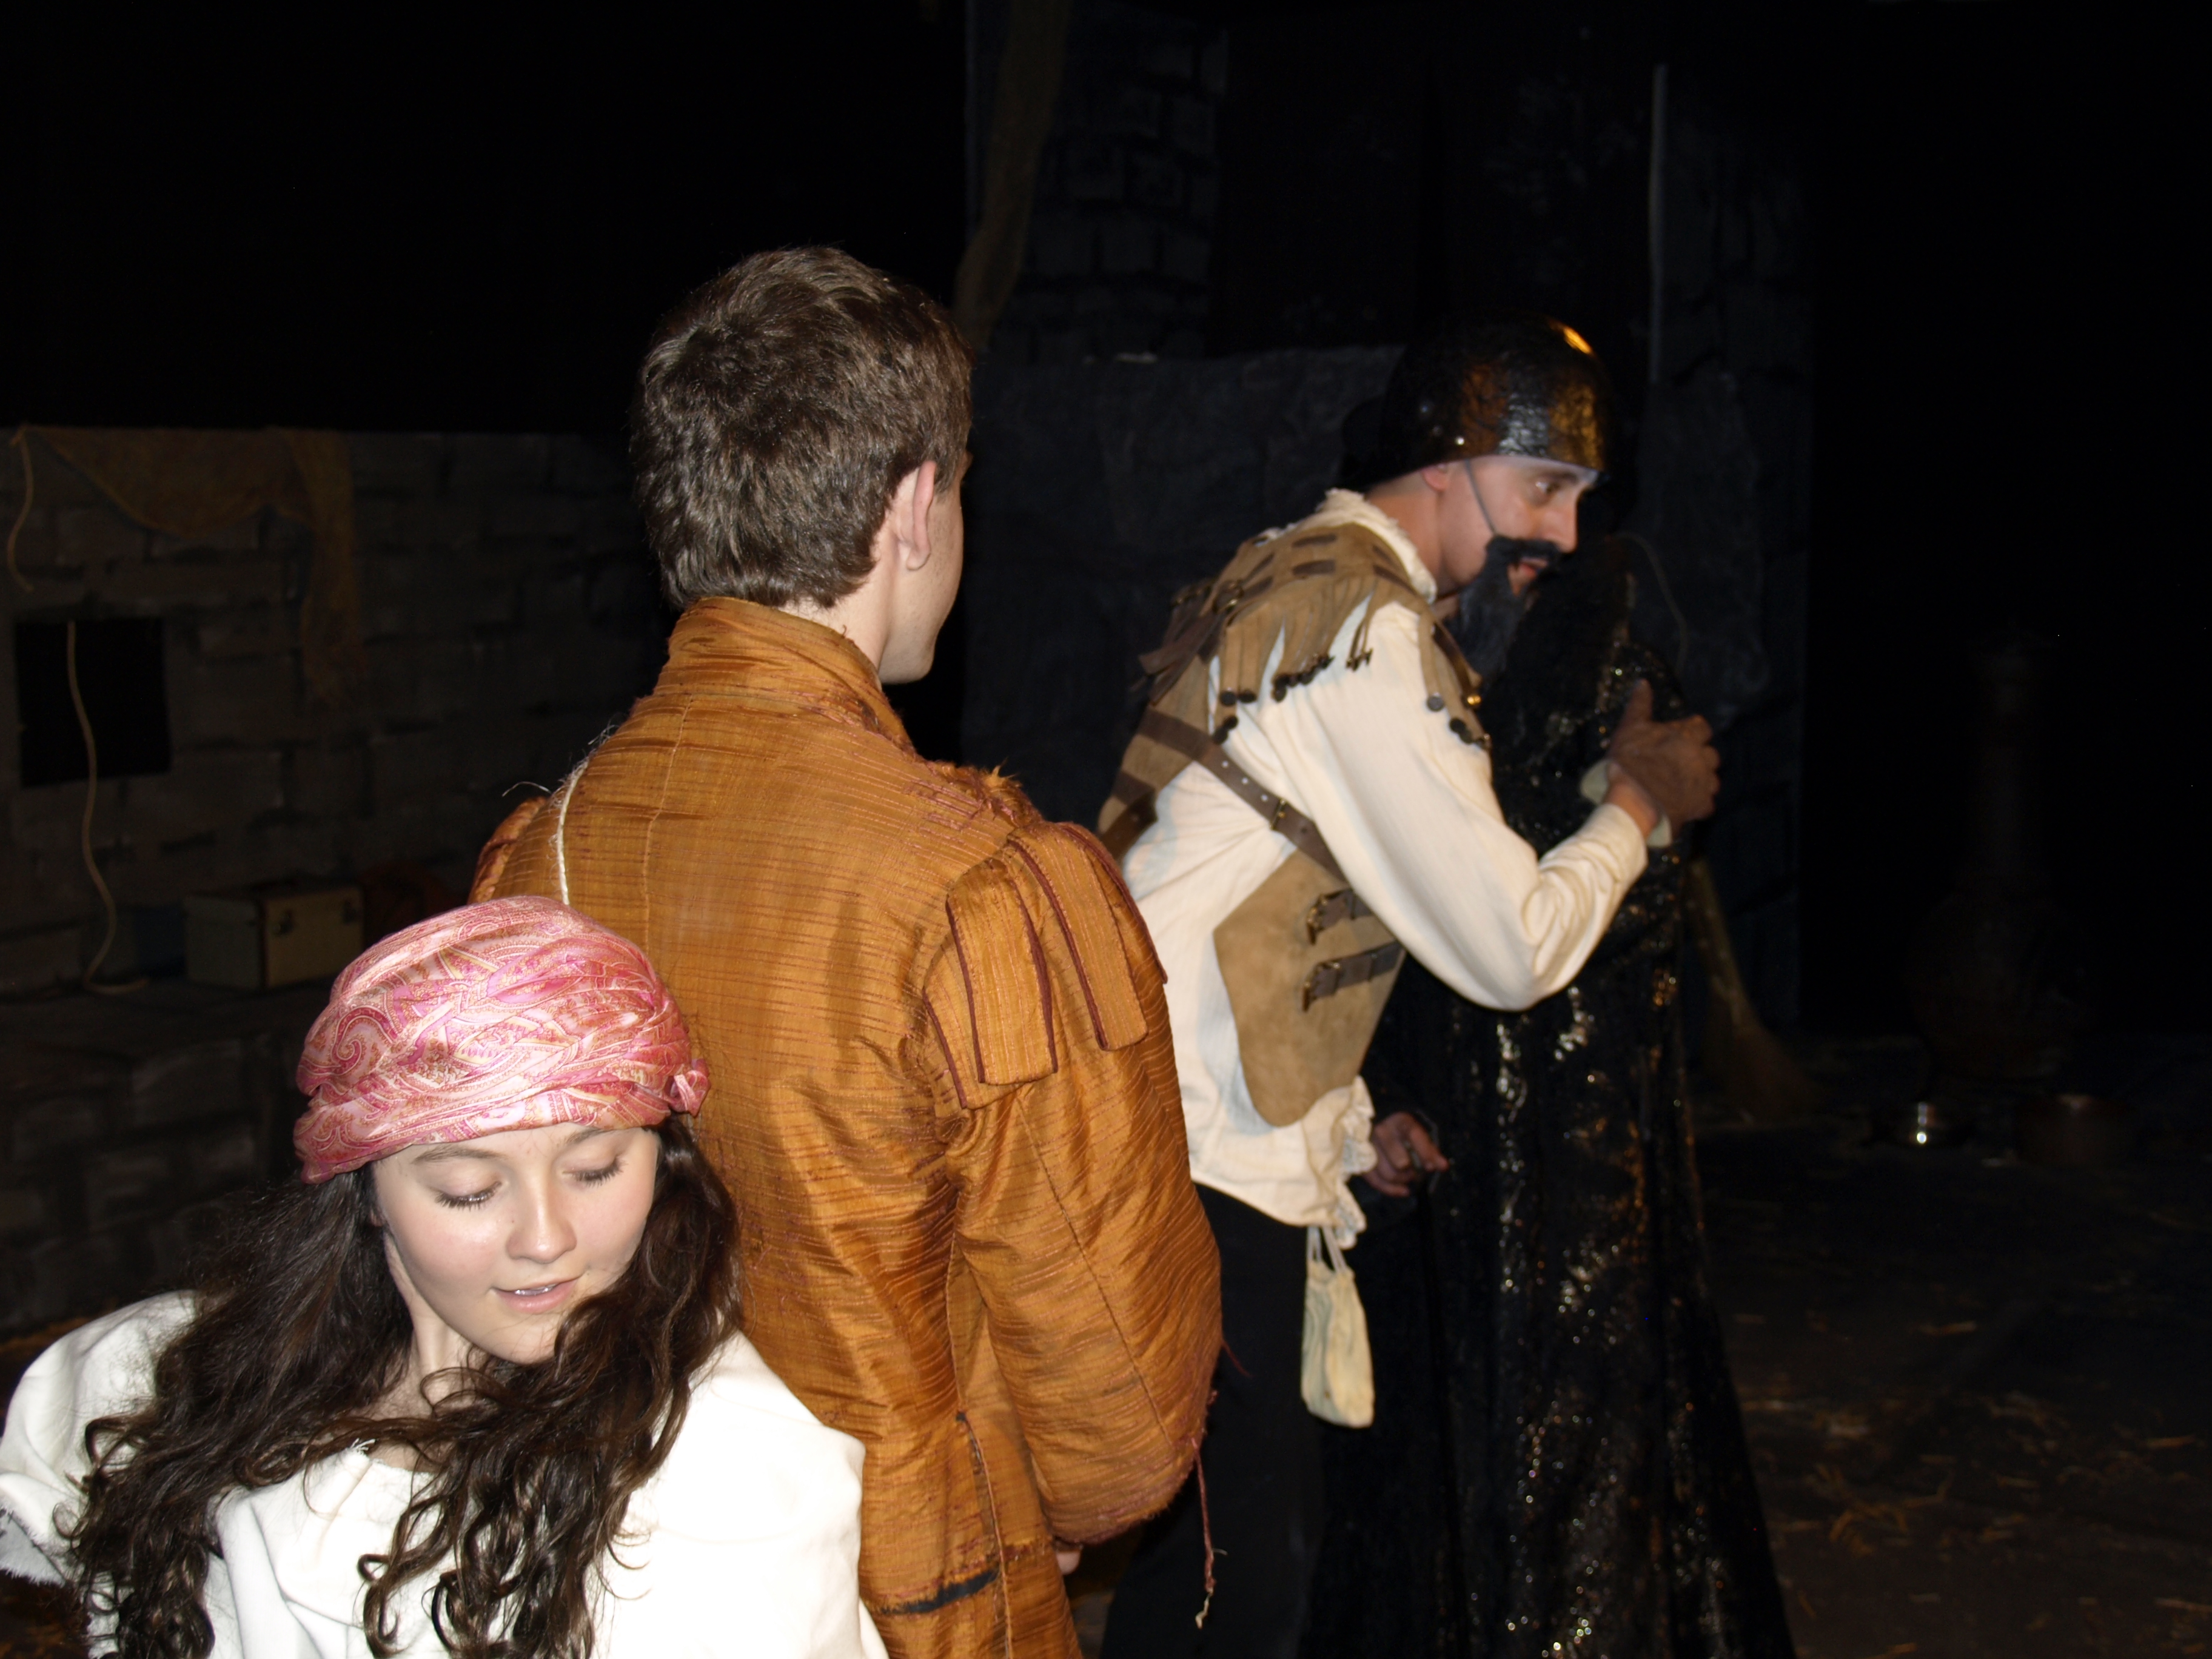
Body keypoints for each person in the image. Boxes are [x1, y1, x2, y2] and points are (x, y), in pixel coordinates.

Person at [471, 247, 1220, 1659]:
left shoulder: (536, 853)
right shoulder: (983, 893)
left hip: (615, 1563)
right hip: (899, 1592)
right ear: (917, 504)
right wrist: (1057, 1501)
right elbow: (1115, 1399)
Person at [1094, 312, 1721, 1657]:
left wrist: (1344, 1116)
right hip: (1189, 1155)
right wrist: (1635, 810)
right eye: (1541, 487)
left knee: (1214, 1562)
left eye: (1579, 499)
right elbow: (1513, 950)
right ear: (1447, 460)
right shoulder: (1366, 633)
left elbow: (1257, 894)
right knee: (1240, 1586)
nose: (1561, 533)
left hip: (1186, 1126)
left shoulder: (1299, 570)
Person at [0, 896, 885, 1659]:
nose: (546, 1240)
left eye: (594, 1171)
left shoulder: (728, 1484)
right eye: (469, 1190)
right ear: (366, 1195)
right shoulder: (189, 1374)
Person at [1300, 526, 1797, 1657]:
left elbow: (1609, 907)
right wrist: (1376, 1087)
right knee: (1417, 1440)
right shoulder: (1399, 659)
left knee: (1572, 1435)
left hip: (1572, 1129)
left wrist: (1624, 815)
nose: (1538, 545)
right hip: (1429, 1109)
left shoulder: (1613, 673)